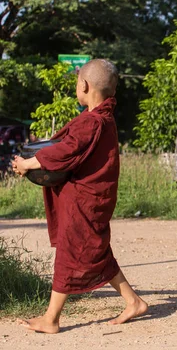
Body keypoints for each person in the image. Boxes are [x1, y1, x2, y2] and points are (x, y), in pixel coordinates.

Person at [12, 59, 147, 333]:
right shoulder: (102, 118)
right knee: (96, 250)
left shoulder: (93, 121)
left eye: (77, 83)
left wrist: (28, 164)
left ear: (83, 85)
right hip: (91, 197)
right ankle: (133, 302)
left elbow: (65, 150)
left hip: (86, 199)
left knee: (70, 252)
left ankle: (51, 319)